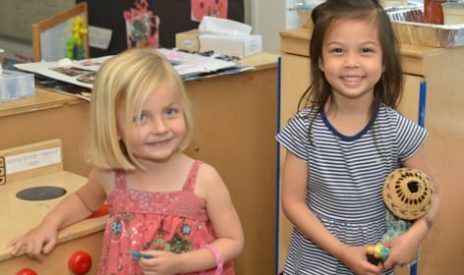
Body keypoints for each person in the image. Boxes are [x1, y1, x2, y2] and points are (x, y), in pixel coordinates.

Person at [9, 48, 244, 275]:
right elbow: (82, 201)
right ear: (114, 127)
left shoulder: (204, 179)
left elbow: (233, 242)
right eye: (141, 117)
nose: (160, 128)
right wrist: (50, 223)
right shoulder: (110, 174)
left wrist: (181, 263)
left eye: (170, 112)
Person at [277, 0, 441, 274]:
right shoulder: (303, 129)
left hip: (374, 263)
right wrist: (341, 251)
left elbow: (433, 193)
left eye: (366, 50)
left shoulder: (397, 129)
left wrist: (415, 234)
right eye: (338, 50)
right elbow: (292, 203)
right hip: (314, 264)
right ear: (320, 60)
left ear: (385, 60)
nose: (351, 62)